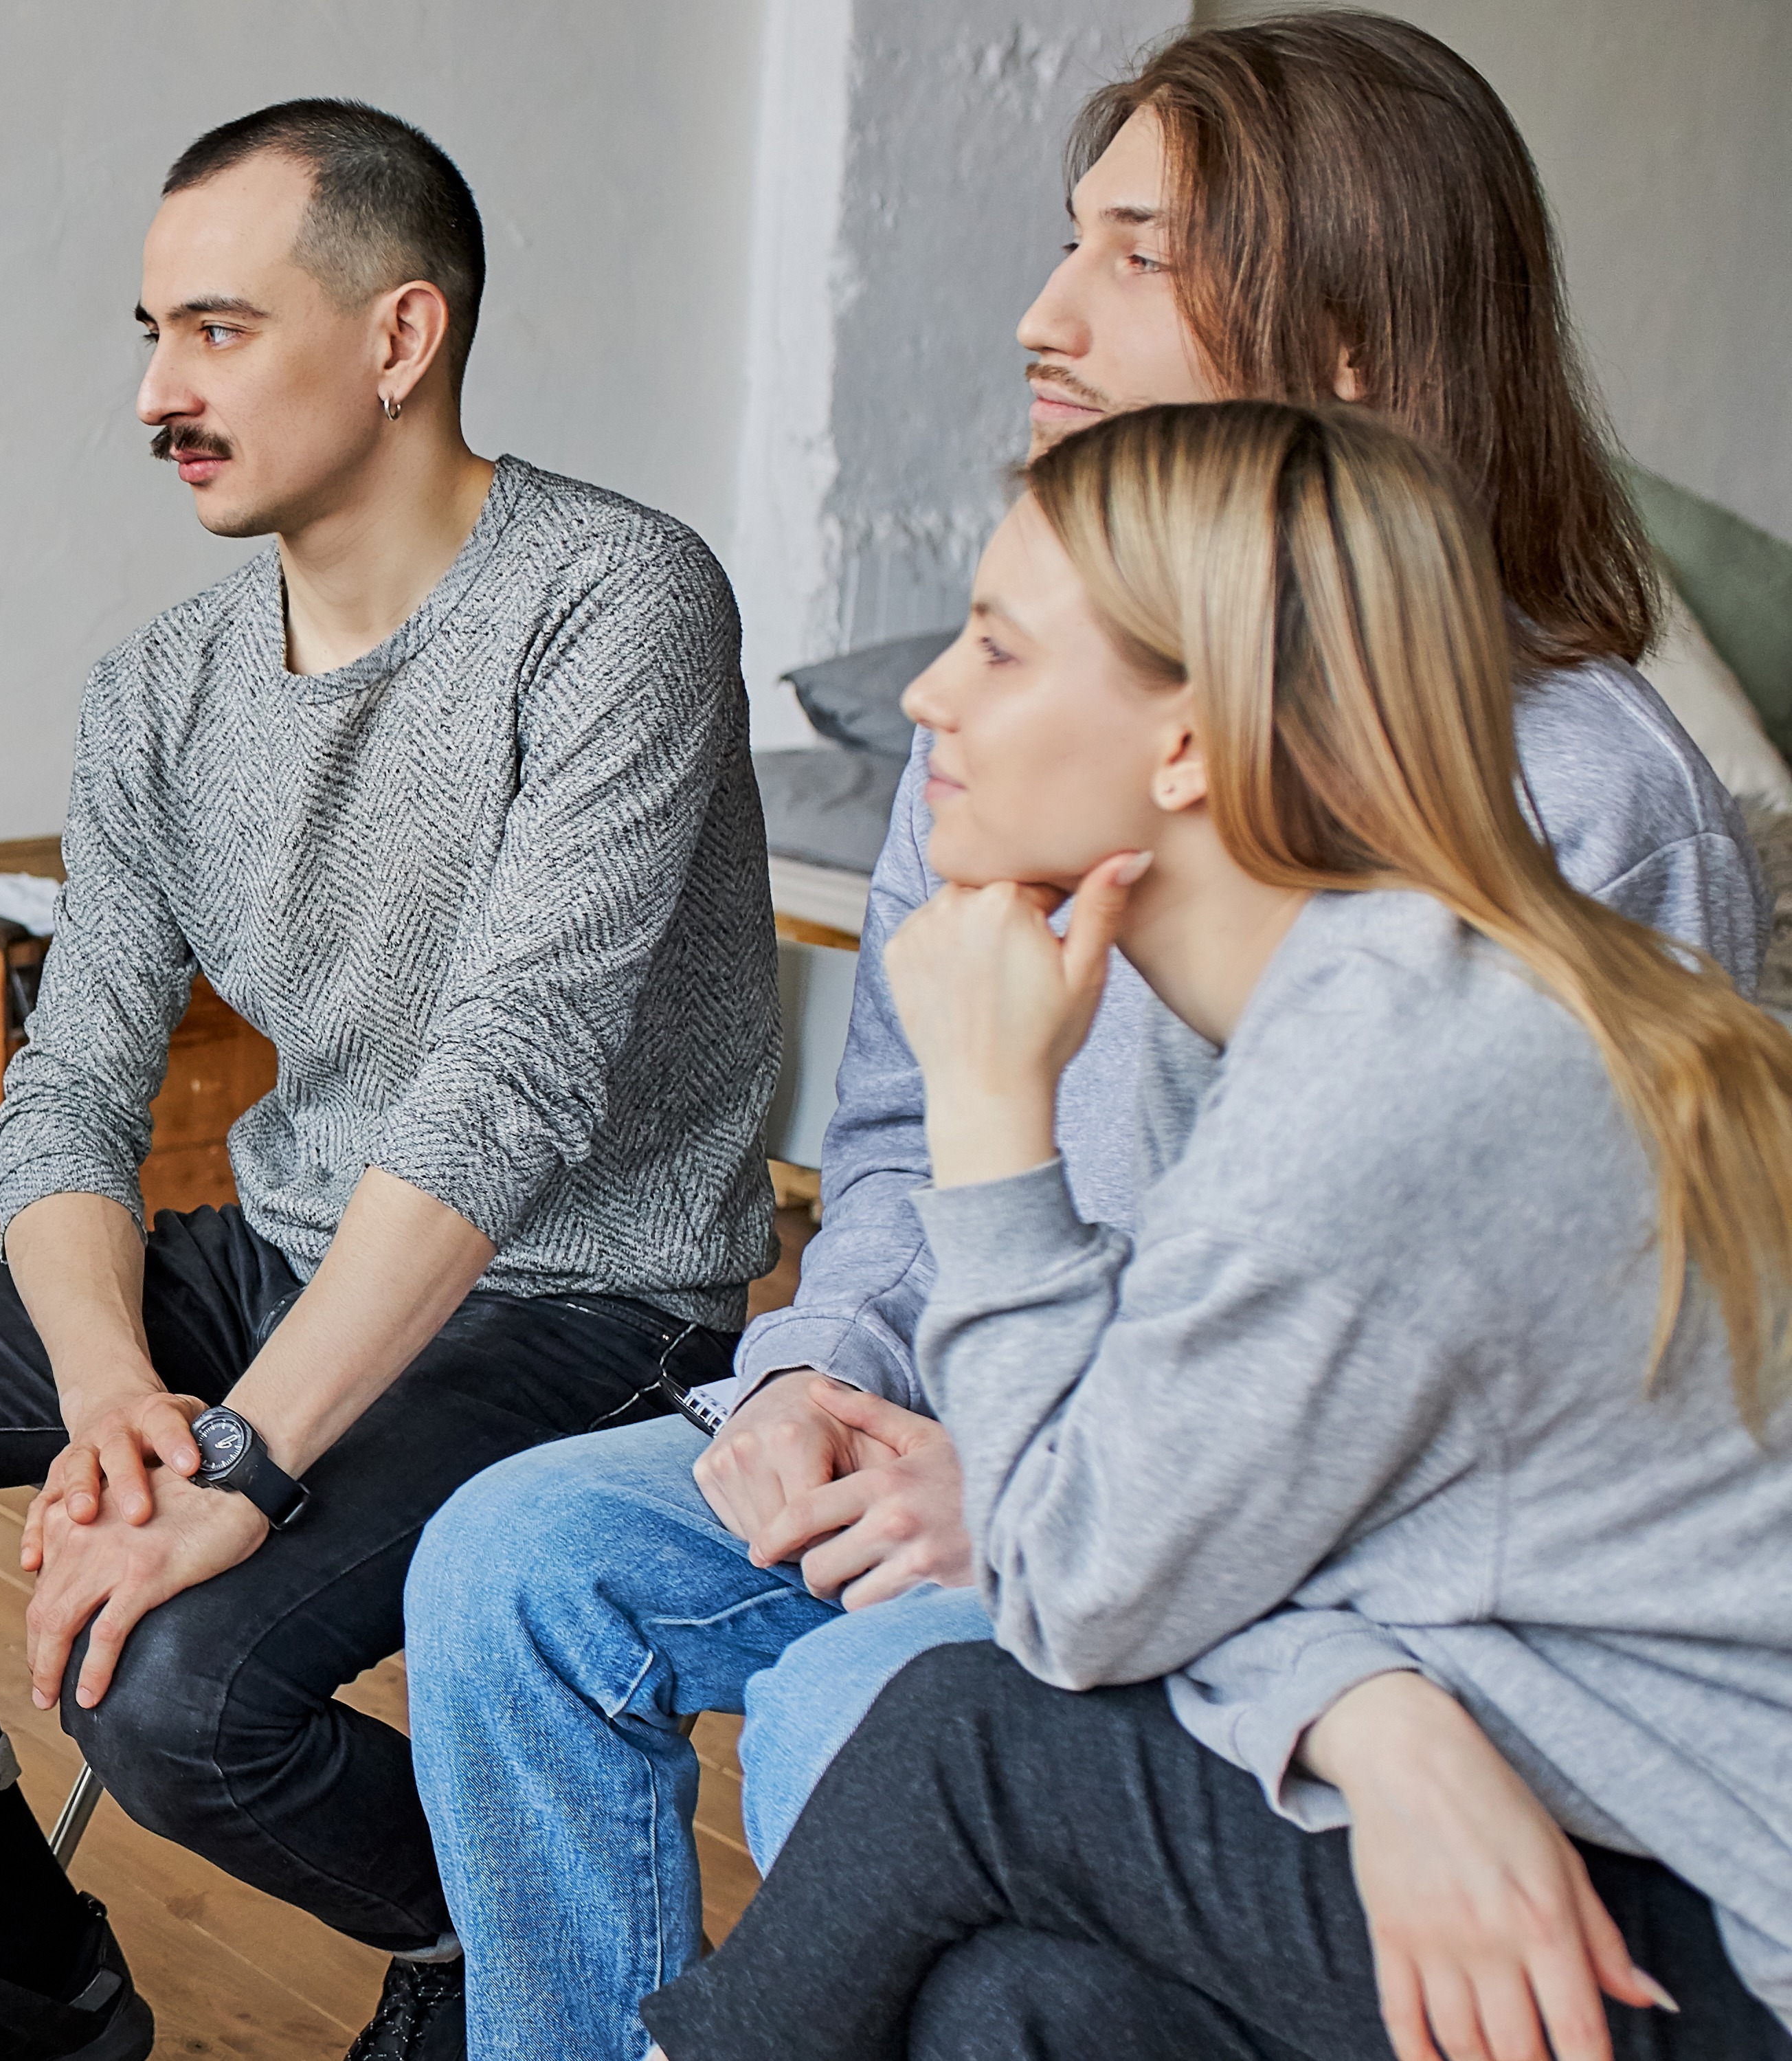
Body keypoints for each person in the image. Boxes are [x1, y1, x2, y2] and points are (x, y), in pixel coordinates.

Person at [402, 17, 1772, 2057]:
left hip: (1287, 1572)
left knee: (885, 1725)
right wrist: (821, 1372)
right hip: (1076, 1467)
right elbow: (898, 1156)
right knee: (516, 1562)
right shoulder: (1025, 772)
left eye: (1139, 254)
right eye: (1075, 237)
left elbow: (1447, 1473)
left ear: (1349, 348)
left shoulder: (1521, 888)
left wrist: (1068, 1501)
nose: (1046, 313)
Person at [0, 100, 775, 2061]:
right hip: (285, 1252)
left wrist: (243, 1467)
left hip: (583, 1306)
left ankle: (487, 1941)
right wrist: (115, 1395)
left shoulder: (616, 603)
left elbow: (508, 1090)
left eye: (218, 332)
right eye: (151, 335)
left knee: (171, 1691)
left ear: (401, 336)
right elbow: (74, 1083)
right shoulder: (160, 688)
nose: (158, 394)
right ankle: (29, 1955)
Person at [638, 399, 1792, 2061]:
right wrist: (1365, 1714)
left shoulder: (1392, 1079)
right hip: (1606, 1835)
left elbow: (1077, 1587)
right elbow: (1199, 1520)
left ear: (1188, 747)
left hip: (1725, 1937)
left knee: (961, 1745)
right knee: (1010, 2013)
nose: (929, 696)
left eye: (998, 651)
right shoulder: (1300, 1008)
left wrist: (992, 1125)